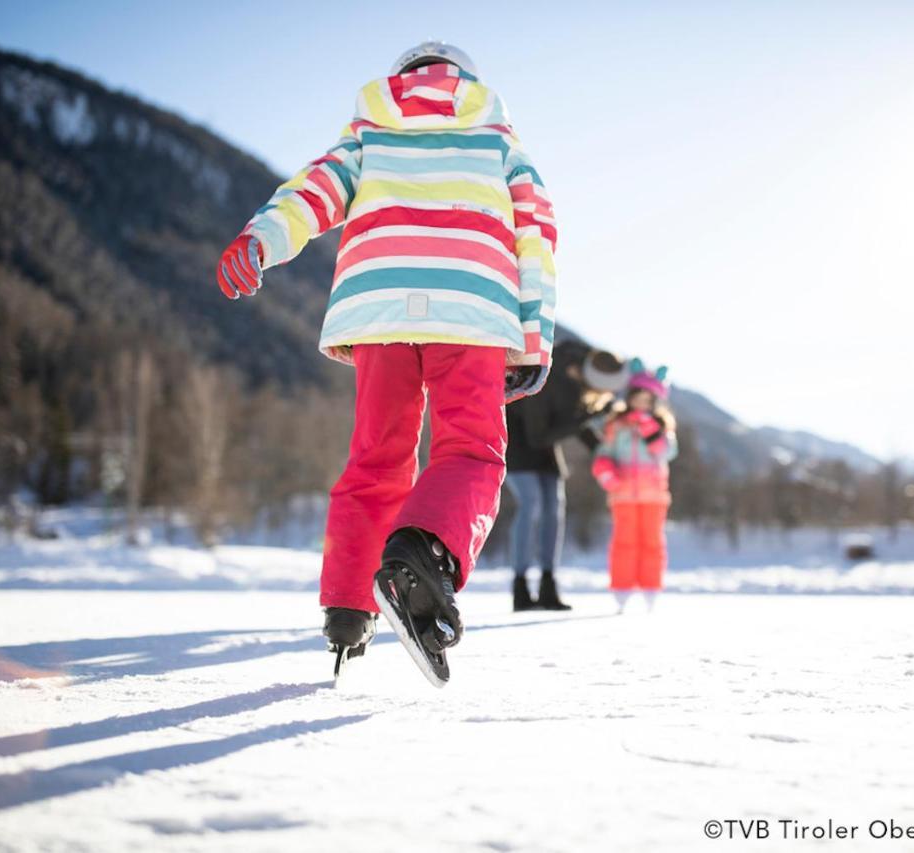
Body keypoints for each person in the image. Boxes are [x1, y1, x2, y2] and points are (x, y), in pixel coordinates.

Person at [215, 41, 557, 685]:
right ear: (466, 81)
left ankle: (348, 608)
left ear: (404, 78)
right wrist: (533, 337)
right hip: (472, 307)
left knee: (377, 455)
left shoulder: (369, 131)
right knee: (469, 451)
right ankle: (423, 553)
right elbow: (536, 231)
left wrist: (260, 240)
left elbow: (313, 191)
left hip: (377, 307)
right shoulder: (499, 140)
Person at [505, 340, 627, 611]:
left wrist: (605, 453)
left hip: (546, 448)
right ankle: (521, 586)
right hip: (519, 444)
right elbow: (540, 434)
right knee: (532, 505)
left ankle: (548, 585)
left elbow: (572, 423)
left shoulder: (580, 378)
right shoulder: (548, 374)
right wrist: (586, 417)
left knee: (554, 510)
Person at [592, 361, 678, 613]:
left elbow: (667, 452)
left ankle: (651, 588)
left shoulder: (662, 427)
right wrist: (606, 472)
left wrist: (649, 428)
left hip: (654, 496)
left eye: (647, 400)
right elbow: (602, 454)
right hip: (623, 495)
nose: (641, 404)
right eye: (637, 398)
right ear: (629, 398)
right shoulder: (616, 425)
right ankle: (622, 590)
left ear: (655, 403)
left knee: (652, 543)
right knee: (624, 542)